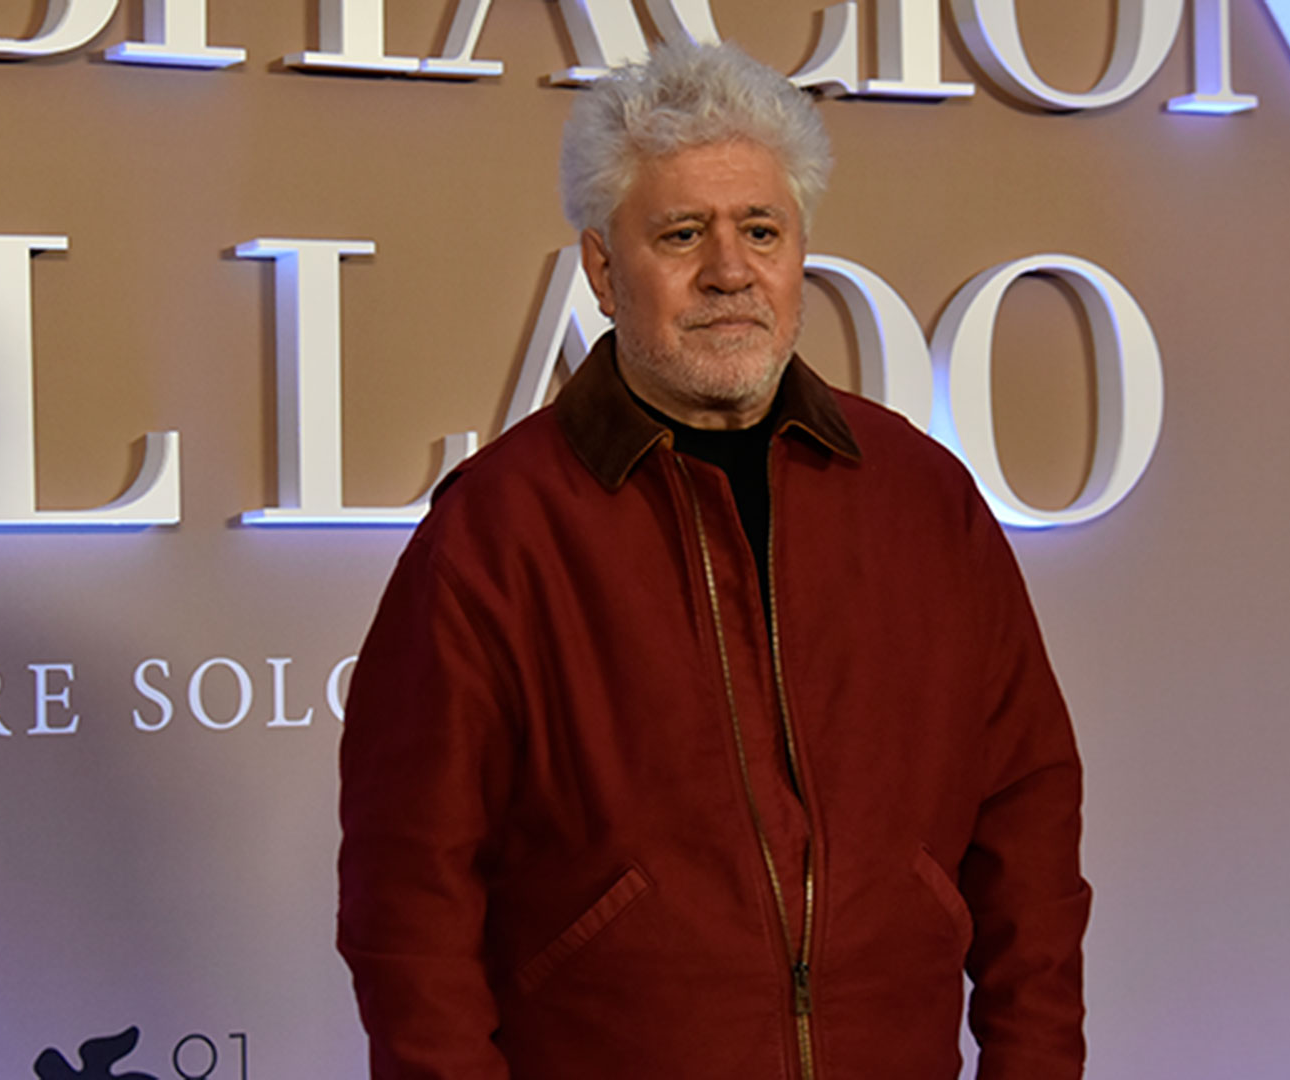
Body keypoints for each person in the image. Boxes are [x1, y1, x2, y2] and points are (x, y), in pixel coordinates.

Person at [338, 41, 1090, 1080]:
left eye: (761, 231)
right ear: (603, 267)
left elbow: (1031, 824)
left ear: (799, 252)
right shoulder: (495, 537)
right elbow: (408, 903)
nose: (729, 270)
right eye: (682, 233)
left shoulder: (924, 501)